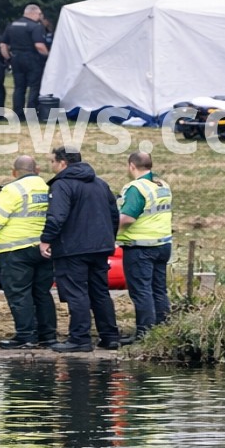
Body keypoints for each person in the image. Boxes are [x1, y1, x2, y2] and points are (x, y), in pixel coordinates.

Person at [40, 146, 123, 352]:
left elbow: (56, 216)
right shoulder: (100, 184)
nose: (51, 165)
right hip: (101, 247)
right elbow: (114, 215)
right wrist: (108, 239)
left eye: (52, 161)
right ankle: (110, 336)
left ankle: (79, 338)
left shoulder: (62, 185)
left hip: (73, 248)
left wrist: (46, 239)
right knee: (100, 292)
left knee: (76, 293)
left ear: (62, 163)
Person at [0, 155, 57, 348]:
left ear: (14, 172)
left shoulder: (12, 190)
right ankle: (48, 336)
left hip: (15, 251)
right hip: (44, 249)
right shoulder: (48, 189)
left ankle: (26, 335)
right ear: (37, 171)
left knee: (19, 294)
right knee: (42, 293)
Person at [116, 151, 172, 337]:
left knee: (141, 291)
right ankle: (163, 331)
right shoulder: (162, 185)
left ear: (131, 165)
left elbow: (127, 217)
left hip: (140, 247)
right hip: (162, 244)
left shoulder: (136, 188)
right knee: (158, 289)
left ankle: (145, 333)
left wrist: (107, 228)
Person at [1, 3, 50, 119]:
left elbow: (3, 45)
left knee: (19, 87)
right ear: (34, 13)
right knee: (34, 86)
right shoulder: (35, 26)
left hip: (16, 58)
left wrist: (8, 58)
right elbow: (39, 46)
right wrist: (48, 56)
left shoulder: (11, 25)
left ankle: (18, 114)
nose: (40, 16)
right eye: (39, 14)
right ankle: (32, 115)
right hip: (32, 59)